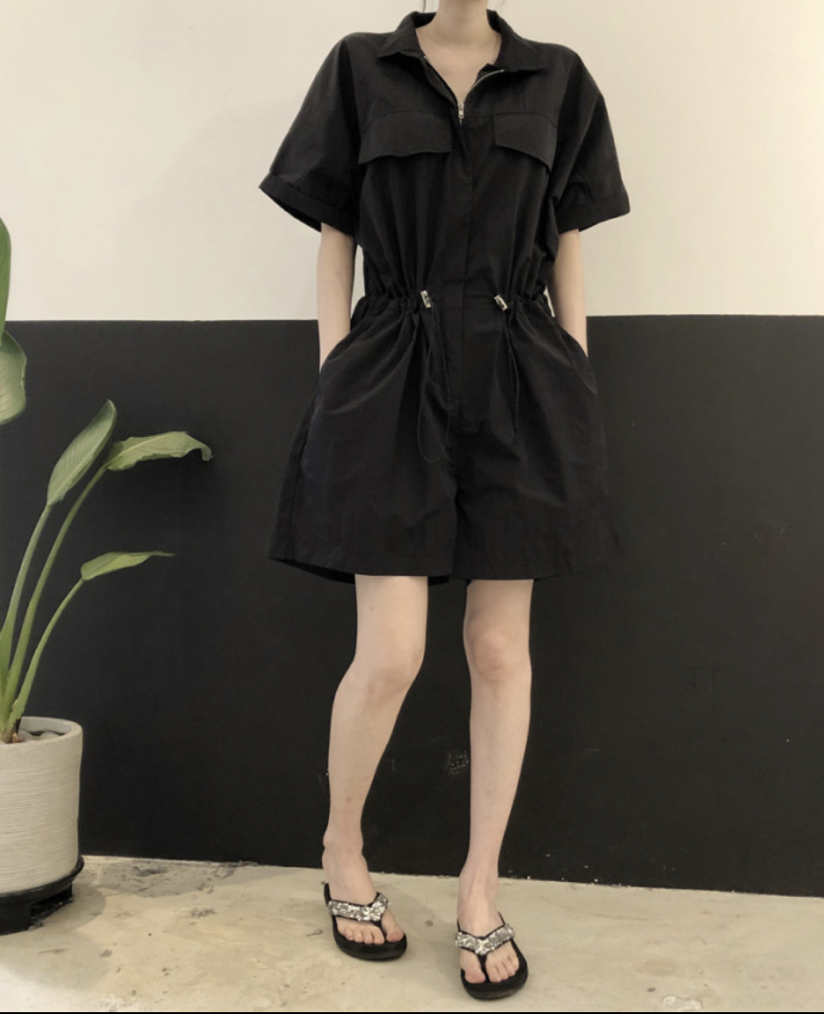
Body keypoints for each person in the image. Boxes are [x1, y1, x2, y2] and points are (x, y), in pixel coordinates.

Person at [258, 0, 630, 999]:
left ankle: (479, 887)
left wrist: (574, 372)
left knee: (500, 650)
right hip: (392, 366)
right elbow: (336, 230)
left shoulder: (558, 77)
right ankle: (341, 849)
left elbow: (568, 241)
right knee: (391, 654)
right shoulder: (359, 69)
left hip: (520, 373)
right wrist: (337, 369)